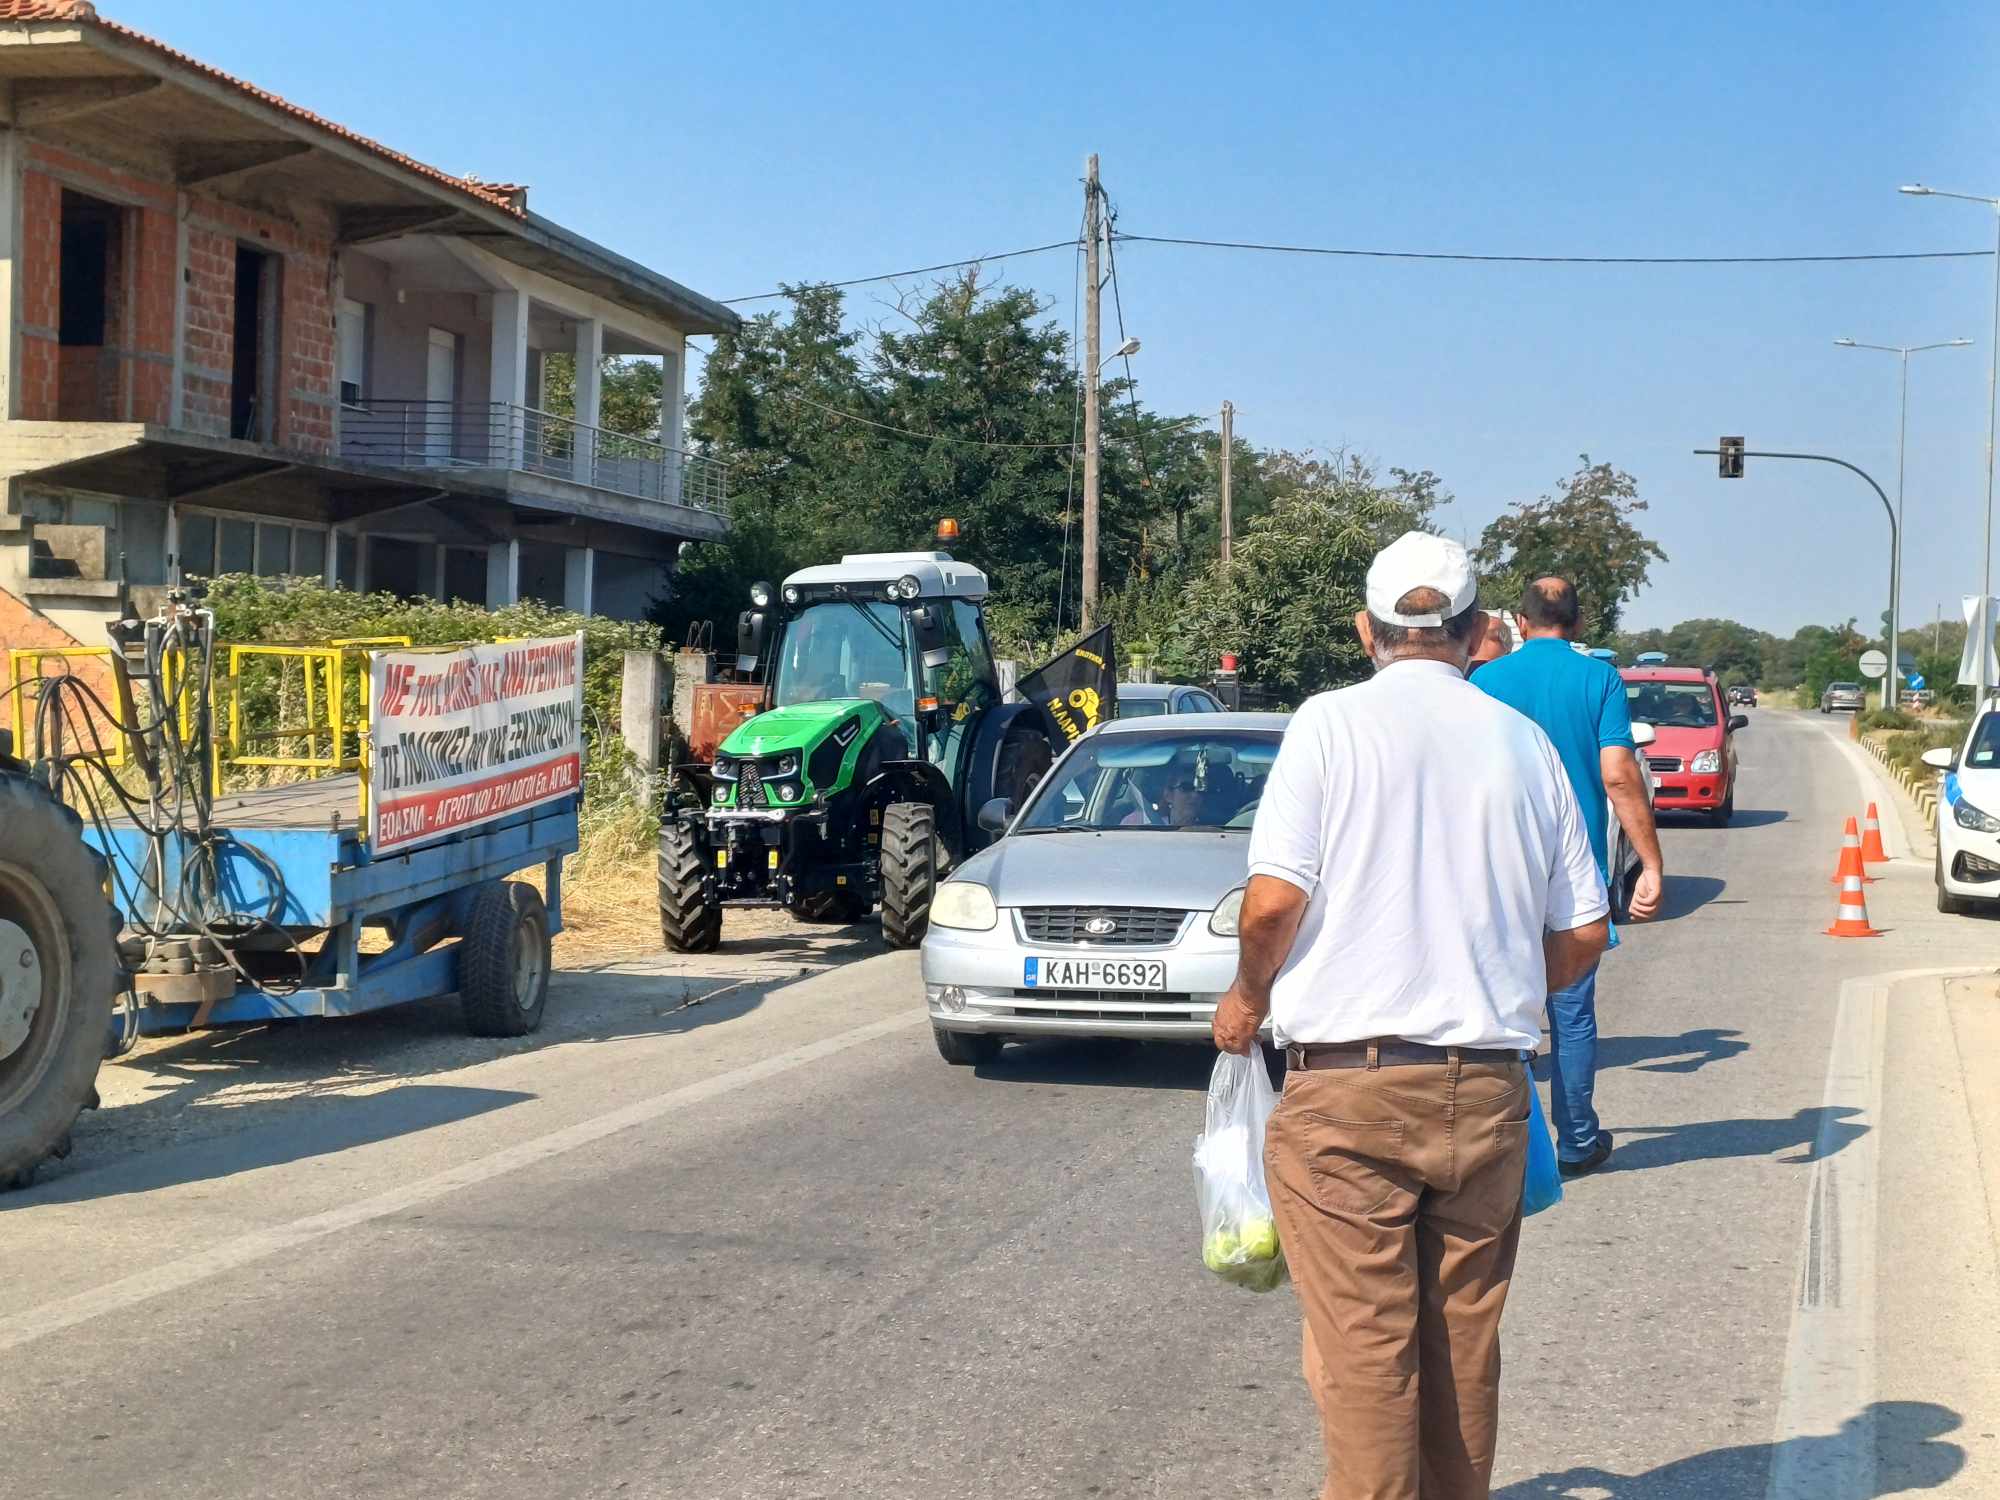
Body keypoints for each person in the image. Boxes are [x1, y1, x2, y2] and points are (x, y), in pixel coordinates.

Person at [1213, 532, 1609, 1500]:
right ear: (1478, 633)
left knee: (1364, 1356)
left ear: (1365, 631)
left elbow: (1271, 903)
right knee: (1461, 1347)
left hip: (1346, 1093)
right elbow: (1584, 930)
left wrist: (1246, 997)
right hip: (1484, 1089)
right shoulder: (1521, 744)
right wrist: (1501, 983)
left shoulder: (1327, 724)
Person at [1470, 577, 1663, 1177]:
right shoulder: (1599, 679)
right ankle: (1576, 1139)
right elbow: (1618, 774)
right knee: (1572, 1011)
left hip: (1498, 868)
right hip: (1574, 871)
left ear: (1521, 624)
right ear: (1578, 626)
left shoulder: (1484, 682)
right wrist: (1650, 863)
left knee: (1503, 1007)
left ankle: (1501, 1143)